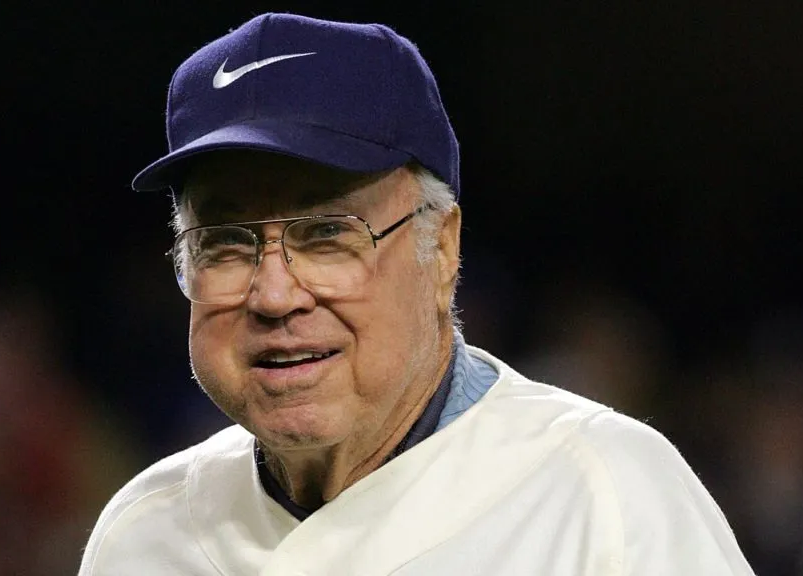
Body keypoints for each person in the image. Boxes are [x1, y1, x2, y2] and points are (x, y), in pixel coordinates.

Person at [79, 12, 756, 575]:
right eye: (225, 244)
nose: (275, 295)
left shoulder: (601, 497)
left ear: (444, 249)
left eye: (325, 234)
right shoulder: (144, 535)